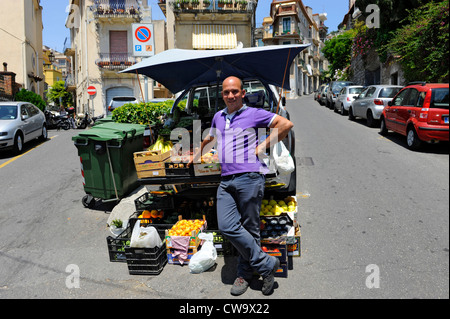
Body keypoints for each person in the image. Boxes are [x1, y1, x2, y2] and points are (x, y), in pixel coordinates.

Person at [191, 76, 294, 296]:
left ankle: (245, 273)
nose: (230, 96)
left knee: (250, 229)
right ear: (222, 95)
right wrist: (196, 154)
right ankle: (267, 265)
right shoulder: (219, 117)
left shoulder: (253, 113)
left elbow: (285, 124)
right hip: (226, 180)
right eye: (226, 92)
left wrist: (263, 145)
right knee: (227, 226)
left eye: (234, 91)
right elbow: (210, 138)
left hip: (250, 177)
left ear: (243, 93)